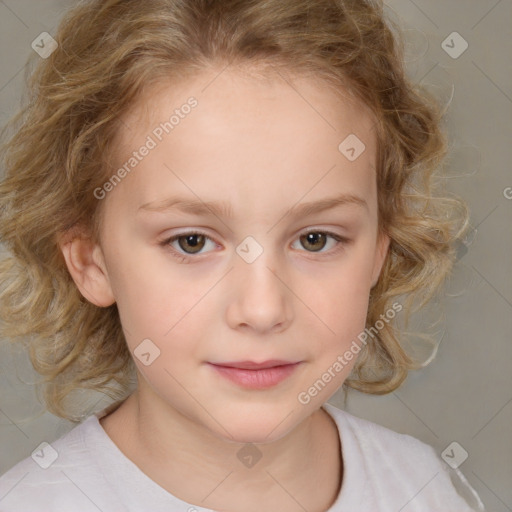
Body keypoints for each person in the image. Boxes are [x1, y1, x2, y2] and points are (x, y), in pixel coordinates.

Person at [0, 0, 486, 510]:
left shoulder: (425, 489)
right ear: (91, 263)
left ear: (378, 252)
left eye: (315, 239)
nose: (262, 309)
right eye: (191, 242)